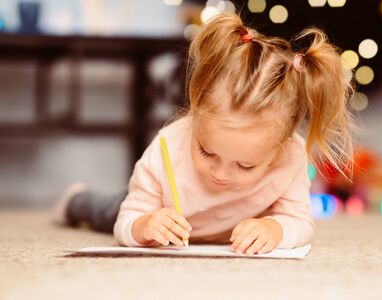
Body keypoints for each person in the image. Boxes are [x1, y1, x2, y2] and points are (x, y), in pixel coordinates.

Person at [51, 13, 355, 255]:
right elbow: (126, 224)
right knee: (105, 210)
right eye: (207, 152)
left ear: (280, 148)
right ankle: (76, 200)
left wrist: (275, 229)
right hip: (159, 205)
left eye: (245, 165)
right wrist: (144, 226)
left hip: (225, 219)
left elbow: (300, 221)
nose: (220, 174)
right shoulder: (168, 145)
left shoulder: (292, 156)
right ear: (195, 113)